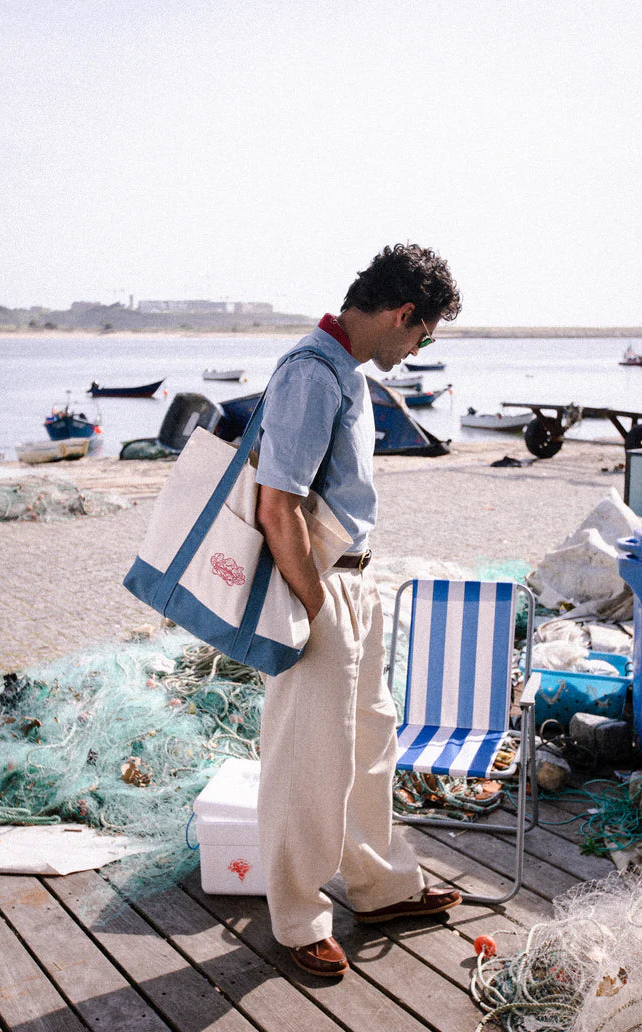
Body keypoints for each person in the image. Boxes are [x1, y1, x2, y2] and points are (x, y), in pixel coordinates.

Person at [255, 243, 462, 978]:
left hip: (355, 578)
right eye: (423, 336)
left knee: (371, 740)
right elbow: (276, 505)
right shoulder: (313, 372)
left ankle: (381, 887)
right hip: (320, 584)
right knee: (307, 759)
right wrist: (315, 605)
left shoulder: (345, 370)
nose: (417, 351)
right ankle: (297, 917)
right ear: (403, 314)